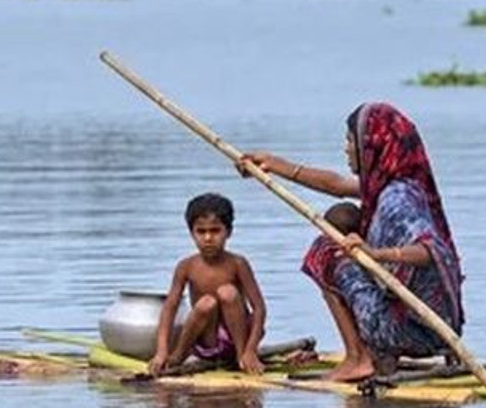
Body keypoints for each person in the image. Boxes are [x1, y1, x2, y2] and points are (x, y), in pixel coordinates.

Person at [241, 102, 464, 382]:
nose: (347, 149)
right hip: (437, 330)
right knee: (341, 218)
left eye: (350, 141)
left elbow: (430, 250)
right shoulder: (394, 184)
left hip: (412, 331)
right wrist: (275, 166)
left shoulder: (397, 198)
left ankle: (358, 358)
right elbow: (335, 185)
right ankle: (373, 354)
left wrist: (376, 254)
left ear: (372, 145)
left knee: (324, 251)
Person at [148, 192, 267, 377]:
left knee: (227, 293)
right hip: (207, 342)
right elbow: (169, 308)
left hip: (238, 339)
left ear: (228, 232)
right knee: (206, 303)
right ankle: (179, 355)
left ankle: (241, 358)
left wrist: (250, 350)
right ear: (191, 233)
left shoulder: (238, 263)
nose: (208, 238)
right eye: (201, 232)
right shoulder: (186, 266)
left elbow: (259, 308)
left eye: (215, 231)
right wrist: (162, 351)